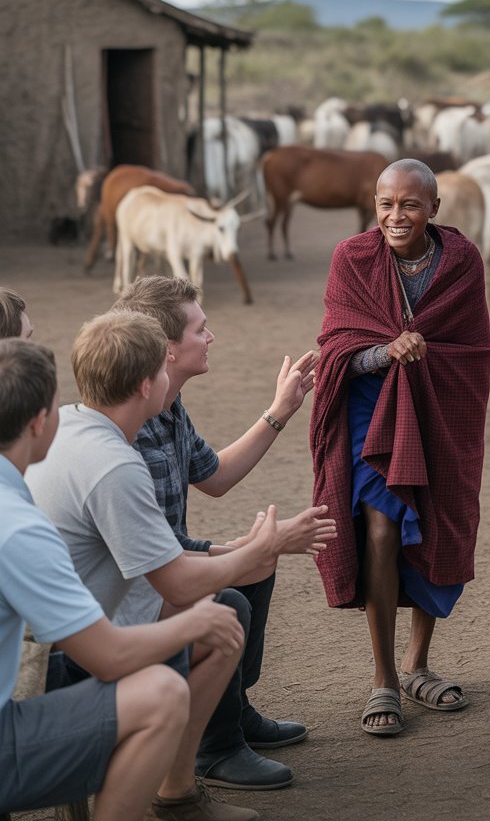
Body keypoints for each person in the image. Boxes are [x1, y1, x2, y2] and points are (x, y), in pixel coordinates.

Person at [27, 310, 323, 819]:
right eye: (162, 369)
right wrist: (262, 548)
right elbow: (178, 582)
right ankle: (177, 793)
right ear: (146, 385)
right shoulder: (115, 464)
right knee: (220, 622)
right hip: (53, 661)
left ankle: (198, 765)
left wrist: (248, 552)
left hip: (45, 639)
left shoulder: (72, 425)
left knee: (222, 604)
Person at [0, 337, 246, 820]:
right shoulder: (20, 527)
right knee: (160, 694)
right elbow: (108, 658)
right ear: (37, 423)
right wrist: (196, 624)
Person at [112, 276, 333, 791]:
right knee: (232, 588)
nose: (210, 337)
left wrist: (280, 411)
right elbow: (150, 554)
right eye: (200, 329)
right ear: (167, 349)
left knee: (255, 562)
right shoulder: (132, 426)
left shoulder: (166, 407)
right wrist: (230, 551)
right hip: (134, 584)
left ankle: (231, 710)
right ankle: (216, 746)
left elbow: (215, 478)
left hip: (158, 565)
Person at [311, 159, 490, 736]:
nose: (396, 216)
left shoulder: (461, 260)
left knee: (433, 523)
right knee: (384, 529)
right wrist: (385, 352)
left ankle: (417, 663)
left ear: (434, 208)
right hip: (372, 414)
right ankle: (383, 678)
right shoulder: (352, 258)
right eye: (386, 204)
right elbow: (338, 345)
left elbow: (471, 347)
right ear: (374, 204)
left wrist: (420, 354)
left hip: (438, 406)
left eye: (410, 205)